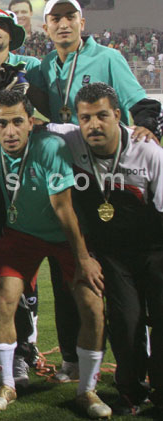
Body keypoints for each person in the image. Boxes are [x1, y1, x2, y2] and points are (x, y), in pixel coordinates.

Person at [0, 90, 110, 419]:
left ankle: (87, 390)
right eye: (2, 124)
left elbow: (63, 209)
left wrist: (84, 259)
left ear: (32, 123)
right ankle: (6, 385)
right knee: (2, 300)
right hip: (21, 234)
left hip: (66, 236)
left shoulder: (50, 147)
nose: (10, 131)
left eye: (18, 122)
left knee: (93, 306)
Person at [48, 83, 163, 416]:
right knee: (126, 322)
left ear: (117, 115)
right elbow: (34, 125)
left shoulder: (148, 150)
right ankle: (131, 393)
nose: (93, 125)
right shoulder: (71, 138)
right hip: (112, 254)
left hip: (155, 249)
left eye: (101, 116)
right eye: (85, 118)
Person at [34, 0, 162, 134]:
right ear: (46, 29)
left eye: (70, 17)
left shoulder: (108, 57)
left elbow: (140, 103)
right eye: (56, 19)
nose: (64, 25)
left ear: (82, 24)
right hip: (65, 146)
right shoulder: (48, 63)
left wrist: (147, 126)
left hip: (104, 145)